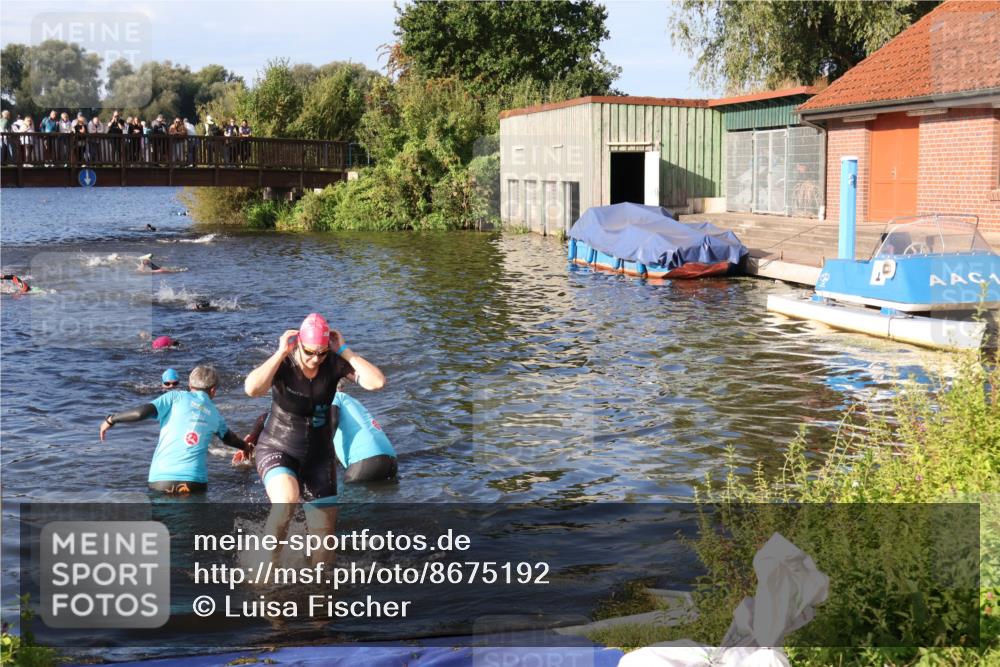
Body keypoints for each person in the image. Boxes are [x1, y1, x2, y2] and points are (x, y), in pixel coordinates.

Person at [242, 313, 385, 560]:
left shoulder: (334, 363)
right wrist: (279, 353)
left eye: (322, 352)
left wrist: (345, 350)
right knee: (286, 501)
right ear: (298, 344)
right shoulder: (284, 365)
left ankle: (320, 589)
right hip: (279, 447)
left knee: (324, 542)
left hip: (319, 457)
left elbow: (377, 383)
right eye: (310, 352)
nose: (315, 359)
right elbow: (252, 389)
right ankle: (262, 577)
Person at [100, 366, 251, 494]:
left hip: (162, 480)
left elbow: (141, 413)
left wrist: (111, 419)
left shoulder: (173, 397)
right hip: (195, 483)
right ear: (213, 390)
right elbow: (229, 438)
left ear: (190, 386)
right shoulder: (216, 415)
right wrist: (245, 446)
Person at [334, 391, 398, 483]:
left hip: (366, 460)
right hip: (391, 461)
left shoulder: (332, 396)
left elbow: (333, 421)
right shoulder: (353, 402)